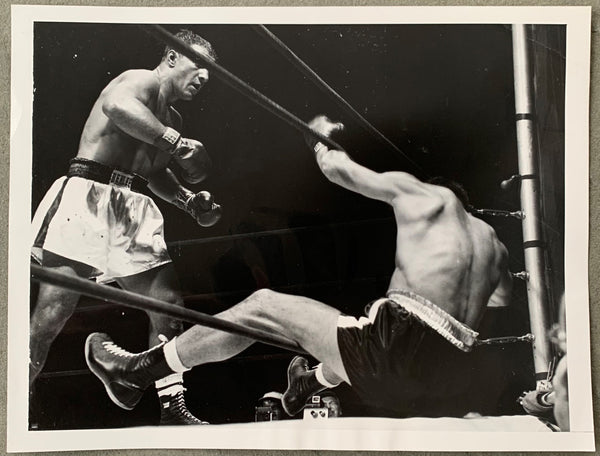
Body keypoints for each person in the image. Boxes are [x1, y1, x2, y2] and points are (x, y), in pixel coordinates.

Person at [84, 114, 512, 419]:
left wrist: (321, 136)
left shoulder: (427, 196)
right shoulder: (496, 249)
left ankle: (138, 371)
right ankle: (311, 383)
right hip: (440, 378)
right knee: (354, 328)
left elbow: (337, 170)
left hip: (393, 351)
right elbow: (492, 319)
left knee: (263, 307)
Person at [30, 29, 222, 425]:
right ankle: (16, 399)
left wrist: (189, 200)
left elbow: (154, 172)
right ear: (172, 57)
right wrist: (177, 142)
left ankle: (172, 408)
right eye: (198, 64)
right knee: (53, 311)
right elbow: (118, 107)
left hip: (133, 205)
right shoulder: (140, 80)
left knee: (168, 306)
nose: (204, 76)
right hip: (88, 194)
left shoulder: (172, 118)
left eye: (210, 72)